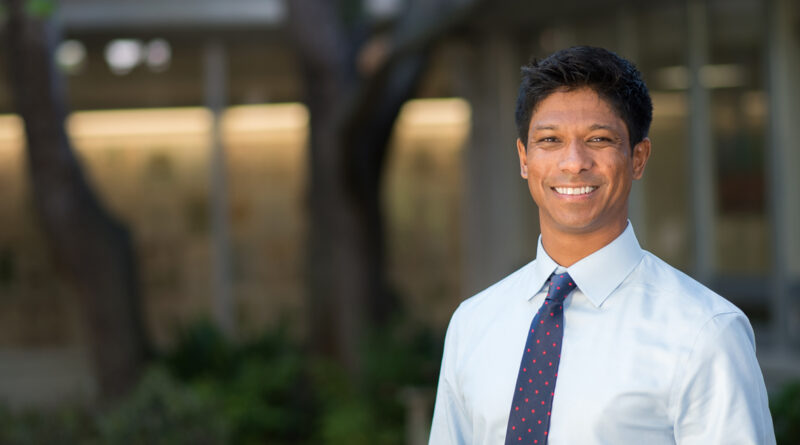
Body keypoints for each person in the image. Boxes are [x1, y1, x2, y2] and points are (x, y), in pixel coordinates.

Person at [428, 46, 775, 445]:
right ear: (524, 158)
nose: (573, 162)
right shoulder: (472, 324)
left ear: (638, 158)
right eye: (550, 140)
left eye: (598, 138)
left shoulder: (704, 332)